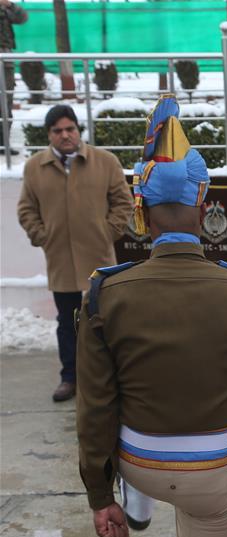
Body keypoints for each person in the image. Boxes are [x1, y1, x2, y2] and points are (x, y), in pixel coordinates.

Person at [76, 96, 227, 537]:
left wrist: (100, 494)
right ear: (204, 208)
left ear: (141, 212)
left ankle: (137, 499)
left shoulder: (104, 293)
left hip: (139, 462)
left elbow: (96, 405)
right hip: (215, 468)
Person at [17, 104, 132, 403]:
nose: (65, 135)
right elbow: (26, 209)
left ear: (78, 130)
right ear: (49, 135)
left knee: (105, 321)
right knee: (67, 323)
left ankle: (110, 377)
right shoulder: (34, 167)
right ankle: (70, 377)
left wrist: (107, 232)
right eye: (58, 131)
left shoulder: (105, 162)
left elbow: (123, 203)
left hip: (99, 260)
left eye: (70, 129)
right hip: (61, 261)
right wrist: (43, 236)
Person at [0, 0, 26, 155]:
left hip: (5, 59)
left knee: (6, 103)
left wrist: (9, 5)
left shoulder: (4, 8)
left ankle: (3, 143)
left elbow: (22, 18)